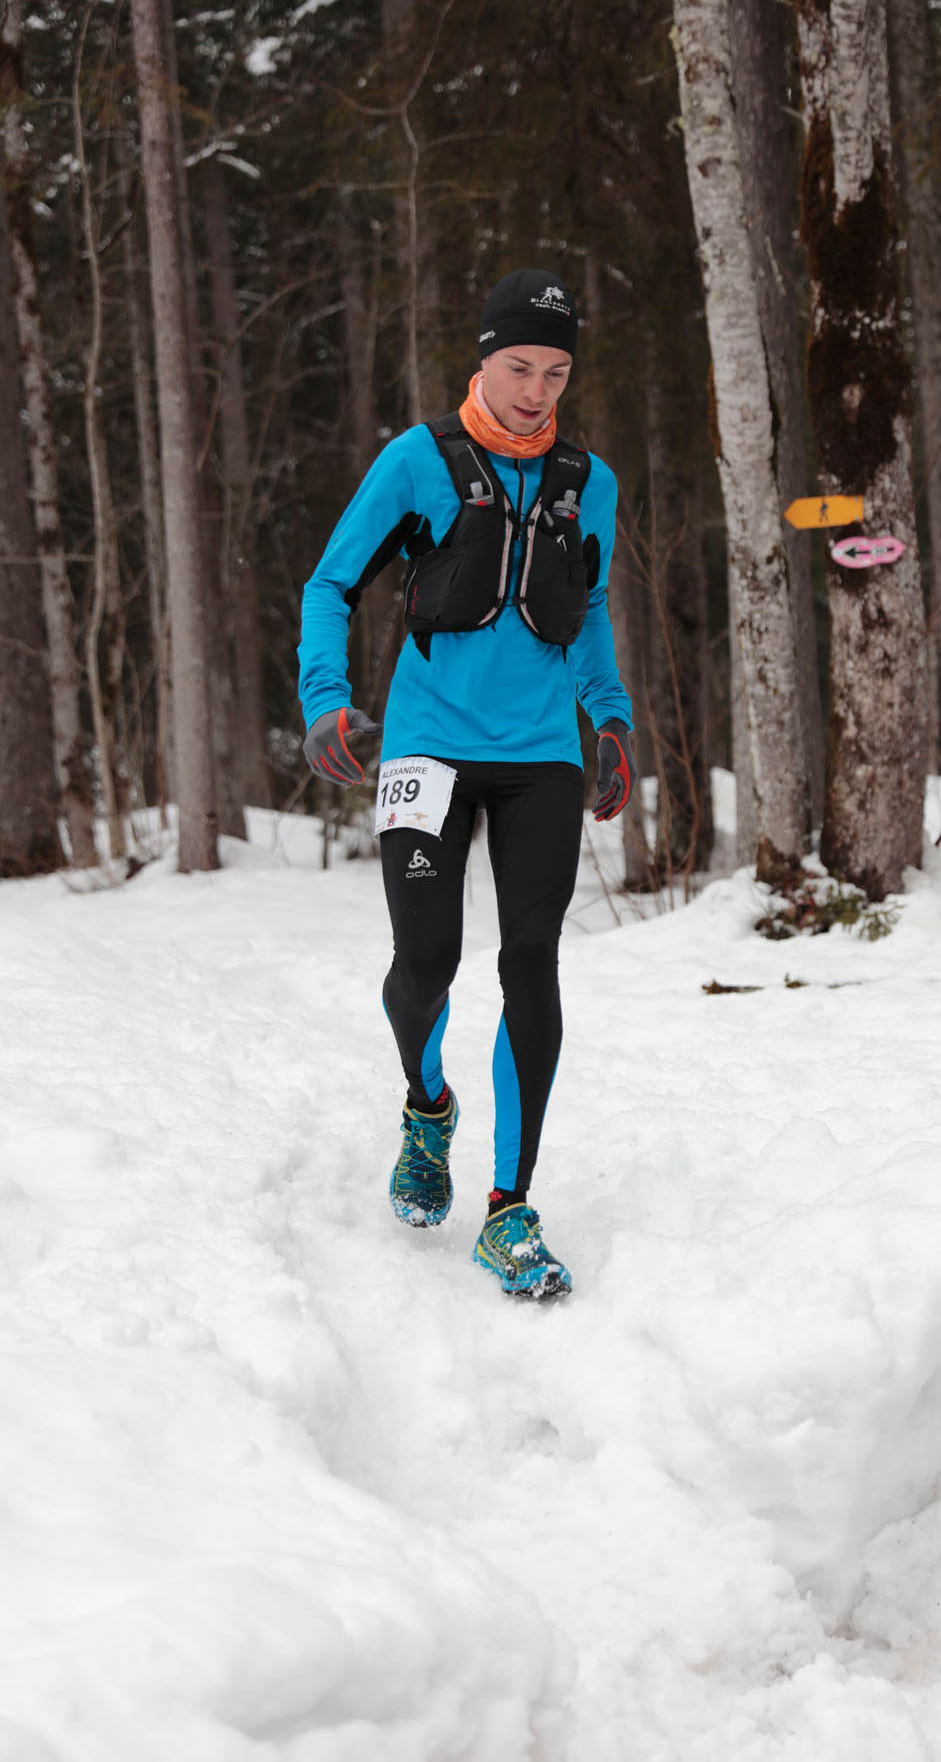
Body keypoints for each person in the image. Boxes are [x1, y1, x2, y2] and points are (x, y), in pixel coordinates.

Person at [297, 268, 636, 1299]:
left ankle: (508, 1209)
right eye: (519, 367)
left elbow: (591, 605)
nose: (536, 391)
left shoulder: (589, 481)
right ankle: (427, 1107)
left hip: (541, 758)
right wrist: (324, 697)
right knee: (428, 959)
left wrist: (610, 718)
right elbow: (330, 584)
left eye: (556, 372)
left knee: (531, 961)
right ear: (484, 361)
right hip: (428, 746)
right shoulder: (418, 460)